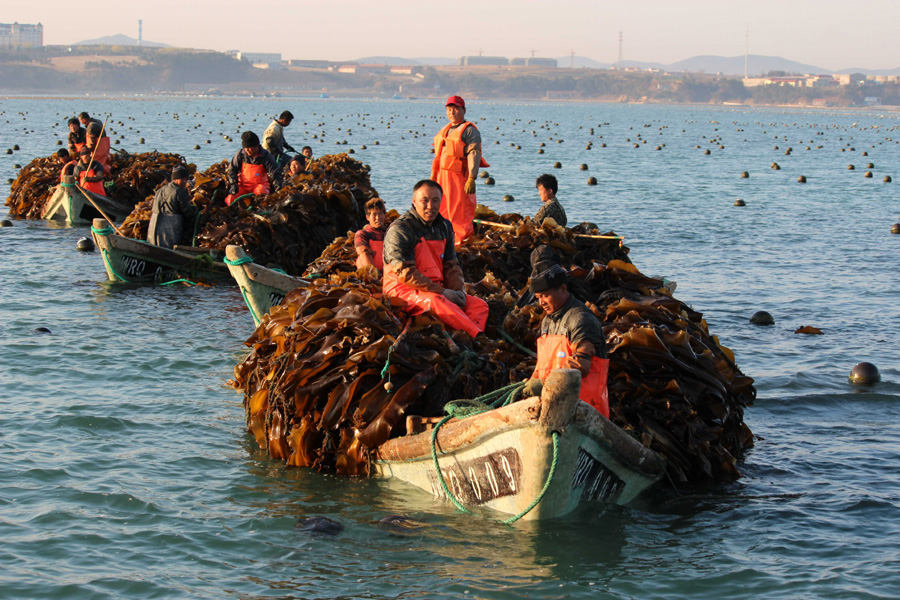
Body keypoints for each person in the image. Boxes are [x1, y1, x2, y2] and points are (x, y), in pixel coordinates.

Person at [382, 179, 488, 338]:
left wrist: (457, 292)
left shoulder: (444, 226)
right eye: (424, 201)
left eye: (435, 200)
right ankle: (476, 337)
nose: (430, 206)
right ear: (414, 201)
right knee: (437, 302)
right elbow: (405, 273)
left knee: (479, 305)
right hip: (403, 289)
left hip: (436, 287)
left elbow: (451, 265)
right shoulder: (401, 229)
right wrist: (443, 292)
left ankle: (463, 334)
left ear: (441, 201)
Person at [521, 260, 610, 417]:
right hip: (552, 407)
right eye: (538, 297)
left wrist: (545, 384)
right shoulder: (547, 321)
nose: (541, 302)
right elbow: (542, 365)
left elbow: (580, 365)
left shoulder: (581, 319)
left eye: (545, 295)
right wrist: (532, 381)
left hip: (584, 413)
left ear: (562, 288)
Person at [430, 95, 488, 243]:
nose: (452, 112)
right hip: (442, 177)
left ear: (464, 110)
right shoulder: (445, 130)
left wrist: (472, 178)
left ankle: (461, 242)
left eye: (456, 109)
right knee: (442, 208)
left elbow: (474, 153)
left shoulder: (469, 131)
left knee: (460, 212)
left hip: (460, 178)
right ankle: (443, 239)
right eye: (449, 109)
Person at [225, 131, 282, 205]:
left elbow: (275, 174)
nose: (247, 150)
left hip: (259, 186)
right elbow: (232, 170)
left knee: (262, 196)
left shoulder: (266, 156)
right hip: (243, 185)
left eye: (249, 148)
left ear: (257, 146)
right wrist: (233, 184)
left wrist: (278, 190)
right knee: (230, 199)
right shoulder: (240, 155)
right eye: (245, 148)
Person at [148, 166, 196, 249]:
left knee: (154, 248)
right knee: (168, 250)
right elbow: (186, 211)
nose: (185, 182)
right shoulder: (180, 191)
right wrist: (196, 215)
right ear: (176, 178)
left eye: (186, 179)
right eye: (183, 179)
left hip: (153, 230)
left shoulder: (161, 190)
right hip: (169, 231)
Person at [354, 198, 387, 272]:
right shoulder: (362, 234)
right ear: (367, 217)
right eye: (374, 214)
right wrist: (374, 275)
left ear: (384, 215)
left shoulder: (389, 233)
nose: (378, 218)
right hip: (369, 275)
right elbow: (364, 254)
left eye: (380, 213)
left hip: (387, 274)